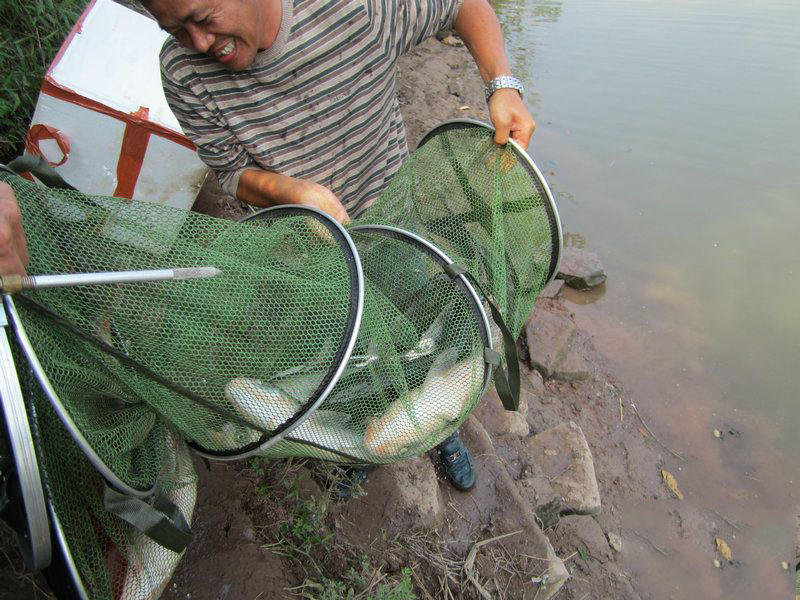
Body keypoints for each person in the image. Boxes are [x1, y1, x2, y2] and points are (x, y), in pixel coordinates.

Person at [143, 0, 536, 494]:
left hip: (393, 224)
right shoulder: (181, 70)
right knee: (345, 353)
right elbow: (231, 171)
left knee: (417, 332)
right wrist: (295, 194)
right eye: (175, 28)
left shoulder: (351, 8)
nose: (198, 43)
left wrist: (502, 85)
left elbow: (462, 6)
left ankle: (441, 431)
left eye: (203, 18)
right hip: (303, 250)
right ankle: (360, 441)